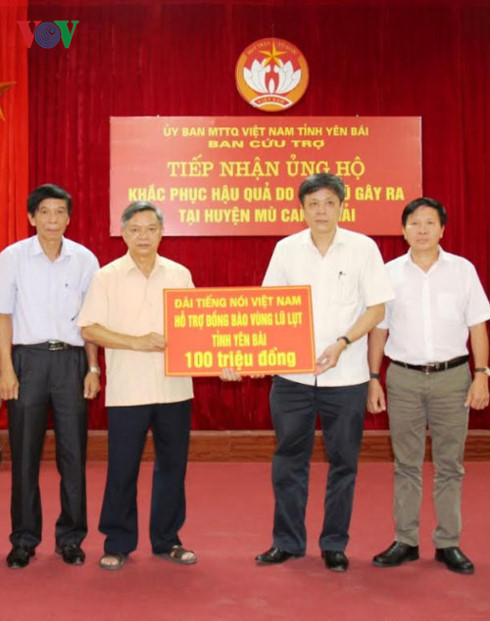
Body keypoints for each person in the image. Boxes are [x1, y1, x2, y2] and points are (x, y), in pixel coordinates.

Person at [223, 173, 394, 571]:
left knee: (344, 462)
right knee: (288, 459)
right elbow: (268, 311)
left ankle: (334, 543)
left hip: (346, 376)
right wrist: (248, 357)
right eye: (313, 203)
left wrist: (343, 343)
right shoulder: (286, 250)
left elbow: (376, 310)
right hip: (292, 379)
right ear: (301, 208)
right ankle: (287, 541)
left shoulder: (363, 248)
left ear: (342, 207)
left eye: (329, 203)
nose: (321, 210)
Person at [367, 197, 490, 575]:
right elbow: (378, 331)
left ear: (442, 229)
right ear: (403, 230)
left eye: (429, 223)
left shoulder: (463, 271)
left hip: (453, 378)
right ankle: (405, 540)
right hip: (402, 377)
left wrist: (482, 373)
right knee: (406, 464)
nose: (422, 230)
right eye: (414, 223)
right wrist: (374, 378)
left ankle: (448, 542)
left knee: (450, 465)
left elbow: (478, 326)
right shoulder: (388, 273)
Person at [78, 201, 196, 570]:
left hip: (175, 388)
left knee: (172, 467)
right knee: (122, 468)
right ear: (123, 233)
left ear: (162, 233)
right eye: (135, 229)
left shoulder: (179, 274)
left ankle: (167, 540)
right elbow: (89, 328)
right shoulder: (106, 276)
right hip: (127, 389)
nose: (143, 236)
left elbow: (198, 327)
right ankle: (117, 542)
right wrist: (137, 342)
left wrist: (220, 358)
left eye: (151, 229)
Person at [0, 184, 100, 569]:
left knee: (73, 455)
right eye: (44, 212)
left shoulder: (84, 260)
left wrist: (93, 368)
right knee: (25, 455)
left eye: (60, 212)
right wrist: (6, 368)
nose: (52, 219)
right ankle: (24, 539)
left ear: (69, 218)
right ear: (32, 217)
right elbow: (3, 316)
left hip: (71, 363)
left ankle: (71, 538)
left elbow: (90, 322)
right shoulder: (12, 258)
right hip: (27, 361)